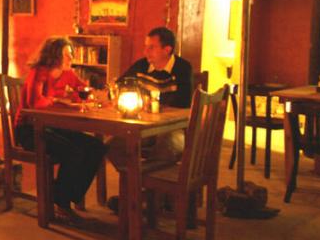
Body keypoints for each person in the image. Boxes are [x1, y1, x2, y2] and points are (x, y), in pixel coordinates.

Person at [13, 37, 107, 220]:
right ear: (54, 55)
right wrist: (57, 99)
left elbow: (85, 92)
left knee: (97, 147)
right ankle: (62, 202)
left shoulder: (68, 74)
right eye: (67, 54)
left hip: (55, 127)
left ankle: (61, 195)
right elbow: (35, 103)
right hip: (29, 130)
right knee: (75, 152)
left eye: (71, 53)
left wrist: (83, 98)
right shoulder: (39, 73)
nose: (71, 57)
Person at [107, 26, 194, 214]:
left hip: (174, 128)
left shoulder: (182, 68)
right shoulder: (141, 66)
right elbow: (120, 84)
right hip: (145, 127)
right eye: (146, 47)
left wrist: (151, 101)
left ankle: (153, 198)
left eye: (151, 47)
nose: (145, 51)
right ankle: (138, 193)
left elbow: (182, 102)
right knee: (114, 146)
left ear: (167, 49)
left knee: (167, 145)